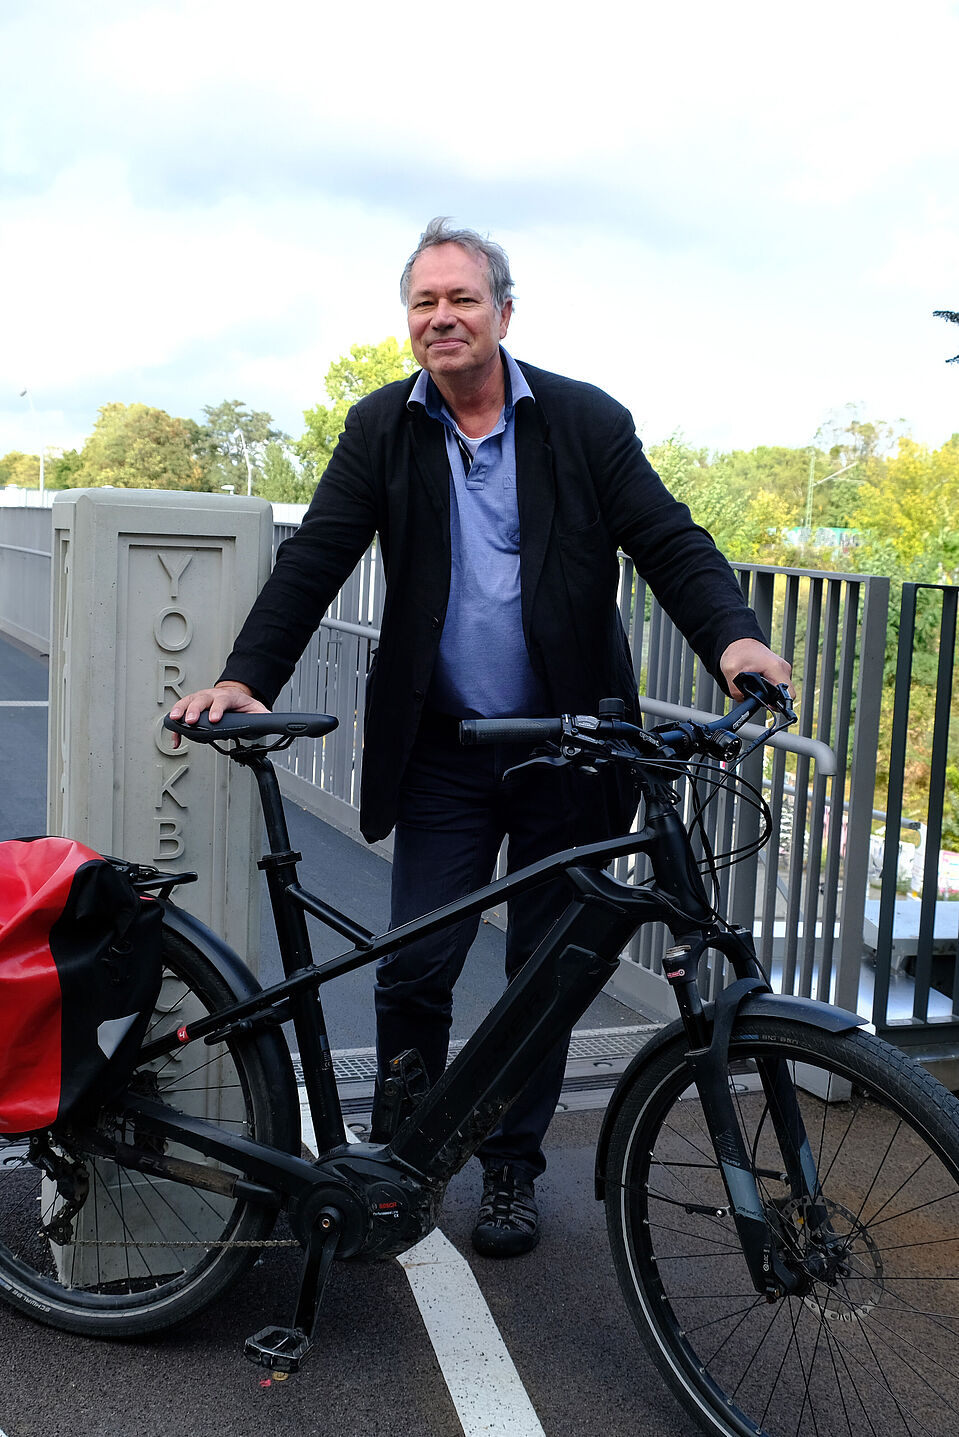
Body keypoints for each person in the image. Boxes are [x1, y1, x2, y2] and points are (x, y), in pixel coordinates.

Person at [171, 217, 792, 1259]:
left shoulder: (583, 422)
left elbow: (668, 540)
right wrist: (243, 677)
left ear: (503, 311)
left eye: (461, 299)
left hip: (572, 750)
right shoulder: (383, 429)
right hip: (448, 748)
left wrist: (733, 639)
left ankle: (510, 1169)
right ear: (408, 321)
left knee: (546, 973)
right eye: (424, 302)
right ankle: (403, 1157)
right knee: (417, 961)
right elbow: (316, 558)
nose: (442, 317)